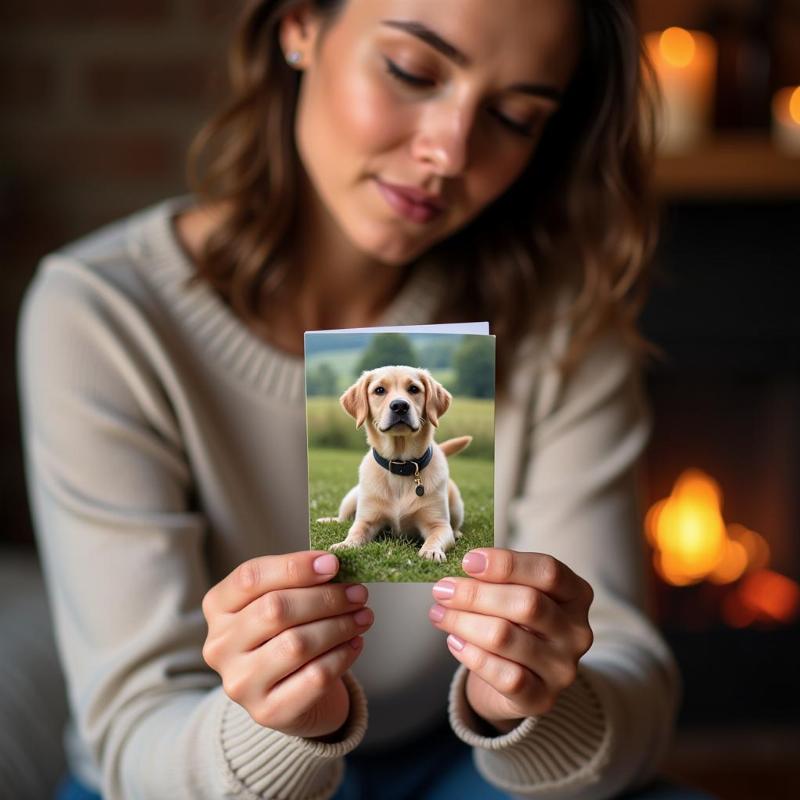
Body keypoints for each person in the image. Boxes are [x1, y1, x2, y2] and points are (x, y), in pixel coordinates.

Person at [16, 1, 714, 798]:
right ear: (299, 24)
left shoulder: (562, 322)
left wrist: (526, 703)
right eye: (412, 72)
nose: (448, 152)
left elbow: (632, 687)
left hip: (467, 763)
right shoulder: (103, 315)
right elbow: (134, 731)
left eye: (515, 117)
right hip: (195, 767)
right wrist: (275, 726)